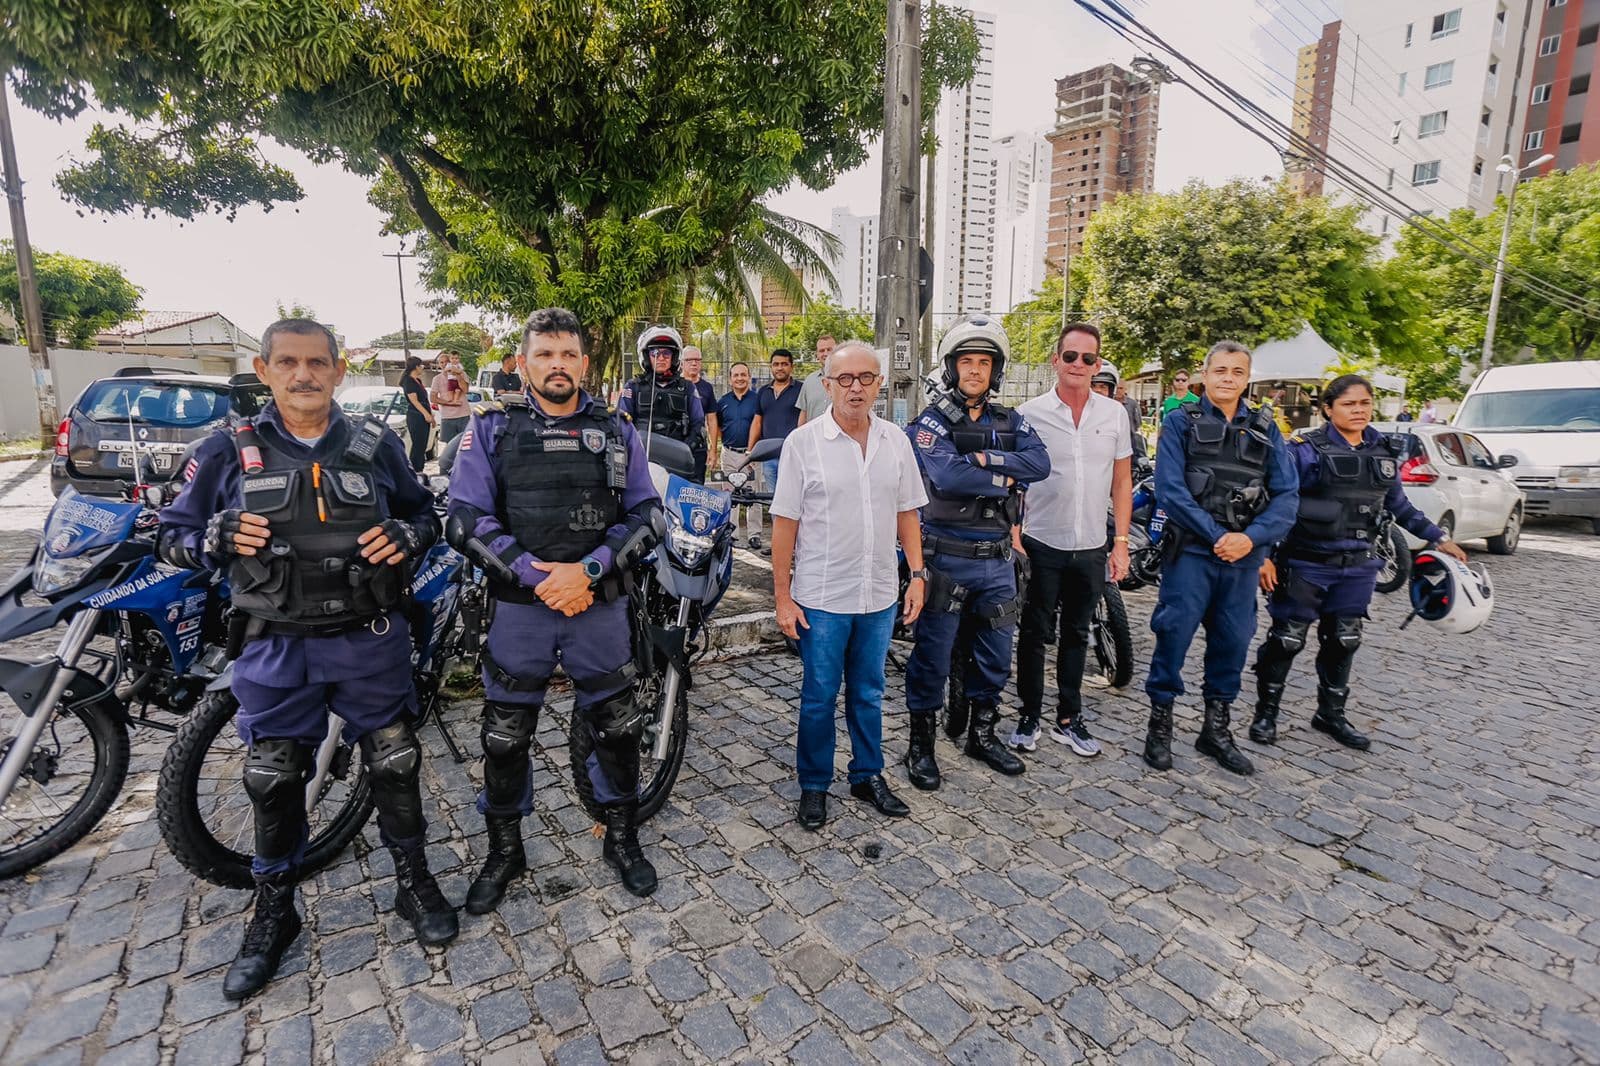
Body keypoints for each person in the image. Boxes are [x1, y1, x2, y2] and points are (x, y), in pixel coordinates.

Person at [157, 318, 455, 1000]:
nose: (303, 375)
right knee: (273, 775)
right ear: (264, 370)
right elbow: (170, 536)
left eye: (317, 362)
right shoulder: (225, 449)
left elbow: (426, 515)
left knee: (395, 760)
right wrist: (213, 537)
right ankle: (274, 911)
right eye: (288, 362)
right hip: (275, 640)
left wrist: (408, 534)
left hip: (367, 635)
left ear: (338, 370)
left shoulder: (376, 444)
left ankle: (413, 882)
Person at [447, 307, 664, 906]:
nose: (557, 365)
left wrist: (588, 570)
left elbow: (648, 515)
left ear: (584, 363)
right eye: (544, 354)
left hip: (597, 603)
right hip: (522, 607)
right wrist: (535, 574)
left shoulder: (616, 429)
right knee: (505, 736)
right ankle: (505, 850)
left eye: (568, 354)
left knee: (618, 728)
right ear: (524, 364)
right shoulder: (492, 428)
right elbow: (464, 517)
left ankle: (622, 837)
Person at [1250, 375, 1467, 751]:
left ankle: (1330, 715)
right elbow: (1273, 502)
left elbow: (1399, 506)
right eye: (1349, 404)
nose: (1358, 410)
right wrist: (1263, 556)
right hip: (1305, 561)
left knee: (1344, 638)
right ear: (1328, 409)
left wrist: (1438, 538)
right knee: (1287, 639)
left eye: (1365, 403)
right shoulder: (1303, 450)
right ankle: (1266, 714)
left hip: (1357, 564)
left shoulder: (1382, 452)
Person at [772, 343, 928, 829]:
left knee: (869, 691)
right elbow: (785, 525)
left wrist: (917, 575)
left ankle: (867, 774)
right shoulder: (803, 444)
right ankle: (814, 784)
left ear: (880, 384)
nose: (855, 387)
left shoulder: (895, 441)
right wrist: (782, 597)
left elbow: (907, 513)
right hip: (822, 597)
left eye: (865, 378)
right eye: (845, 379)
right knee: (819, 695)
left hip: (878, 594)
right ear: (827, 385)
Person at [902, 314, 1050, 788]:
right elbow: (947, 477)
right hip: (945, 559)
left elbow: (1040, 464)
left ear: (995, 370)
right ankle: (921, 746)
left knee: (995, 654)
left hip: (997, 562)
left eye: (984, 362)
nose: (975, 370)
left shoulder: (1012, 420)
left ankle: (982, 736)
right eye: (966, 361)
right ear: (951, 367)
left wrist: (984, 459)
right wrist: (1007, 477)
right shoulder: (930, 422)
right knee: (932, 657)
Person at [1142, 341, 1299, 776]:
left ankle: (1216, 729)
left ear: (1247, 378)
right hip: (1192, 553)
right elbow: (1170, 490)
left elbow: (1287, 497)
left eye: (1237, 372)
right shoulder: (1180, 422)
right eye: (1221, 370)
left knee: (1232, 642)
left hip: (1243, 558)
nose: (1228, 378)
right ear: (1205, 375)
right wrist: (1218, 536)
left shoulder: (1267, 429)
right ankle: (1160, 726)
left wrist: (1250, 539)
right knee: (1173, 635)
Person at [1012, 323, 1132, 759]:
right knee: (1033, 632)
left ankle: (1069, 717)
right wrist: (1014, 533)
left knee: (1078, 633)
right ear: (1055, 361)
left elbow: (1122, 480)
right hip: (1042, 541)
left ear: (1097, 365)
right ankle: (1028, 715)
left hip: (1092, 544)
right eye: (1070, 356)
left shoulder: (1114, 415)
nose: (1078, 364)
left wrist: (1121, 541)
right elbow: (1015, 480)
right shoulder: (1029, 414)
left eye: (1087, 358)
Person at [619, 325, 707, 480]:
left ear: (674, 356)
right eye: (655, 353)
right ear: (646, 356)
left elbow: (698, 424)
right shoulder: (633, 386)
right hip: (641, 462)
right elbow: (622, 423)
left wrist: (686, 450)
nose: (661, 358)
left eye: (666, 353)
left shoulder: (687, 388)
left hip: (678, 465)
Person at [748, 348, 803, 550]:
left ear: (791, 367)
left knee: (796, 502)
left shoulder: (800, 390)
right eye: (776, 364)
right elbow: (757, 421)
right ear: (771, 367)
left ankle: (797, 546)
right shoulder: (763, 392)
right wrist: (751, 450)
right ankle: (780, 545)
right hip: (769, 458)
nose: (780, 368)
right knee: (775, 502)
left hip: (794, 458)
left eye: (784, 364)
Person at [715, 361, 763, 545]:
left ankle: (754, 534)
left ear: (749, 377)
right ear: (730, 379)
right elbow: (719, 427)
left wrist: (752, 451)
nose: (740, 378)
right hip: (729, 454)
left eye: (743, 374)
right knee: (729, 494)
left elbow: (760, 425)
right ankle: (732, 533)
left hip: (751, 455)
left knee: (754, 494)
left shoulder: (757, 400)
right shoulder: (723, 402)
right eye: (736, 375)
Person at [682, 346, 720, 481]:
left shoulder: (707, 388)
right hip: (676, 445)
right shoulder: (674, 385)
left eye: (697, 360)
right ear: (681, 363)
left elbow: (712, 420)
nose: (694, 363)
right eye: (689, 360)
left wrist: (713, 450)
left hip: (698, 447)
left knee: (697, 487)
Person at [400, 355, 435, 472]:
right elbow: (414, 401)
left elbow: (424, 400)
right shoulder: (408, 381)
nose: (422, 367)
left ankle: (419, 468)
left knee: (423, 444)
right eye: (421, 365)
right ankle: (415, 470)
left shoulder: (418, 381)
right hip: (416, 416)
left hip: (424, 415)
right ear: (416, 367)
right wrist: (425, 414)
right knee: (418, 445)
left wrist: (431, 415)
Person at [795, 333, 839, 425]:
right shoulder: (809, 381)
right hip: (813, 433)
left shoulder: (849, 379)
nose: (826, 353)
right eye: (822, 351)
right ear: (817, 354)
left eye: (829, 349)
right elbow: (804, 413)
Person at [431, 352, 472, 444]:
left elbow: (465, 390)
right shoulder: (437, 379)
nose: (444, 364)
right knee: (449, 445)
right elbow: (433, 398)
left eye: (446, 362)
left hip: (463, 415)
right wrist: (450, 403)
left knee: (465, 444)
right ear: (439, 364)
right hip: (447, 417)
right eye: (441, 362)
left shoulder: (462, 373)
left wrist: (457, 375)